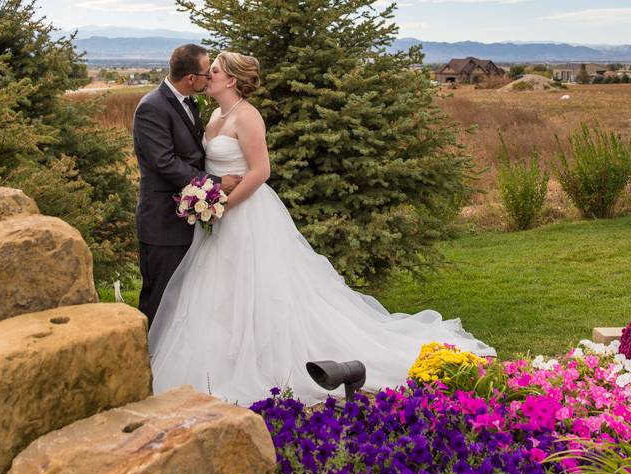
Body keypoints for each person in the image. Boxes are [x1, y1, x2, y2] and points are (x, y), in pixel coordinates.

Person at [148, 52, 495, 405]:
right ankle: (222, 360)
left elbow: (260, 172)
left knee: (263, 289)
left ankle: (270, 362)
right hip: (219, 219)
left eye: (215, 71)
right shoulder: (215, 116)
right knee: (218, 291)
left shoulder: (248, 117)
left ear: (232, 80)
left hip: (246, 213)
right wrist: (212, 200)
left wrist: (223, 205)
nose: (209, 76)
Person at [132, 44, 242, 326]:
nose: (210, 78)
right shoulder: (151, 107)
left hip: (188, 218)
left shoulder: (189, 102)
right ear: (191, 78)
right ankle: (147, 362)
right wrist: (216, 183)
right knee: (159, 297)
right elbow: (165, 163)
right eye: (207, 73)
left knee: (182, 300)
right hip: (163, 222)